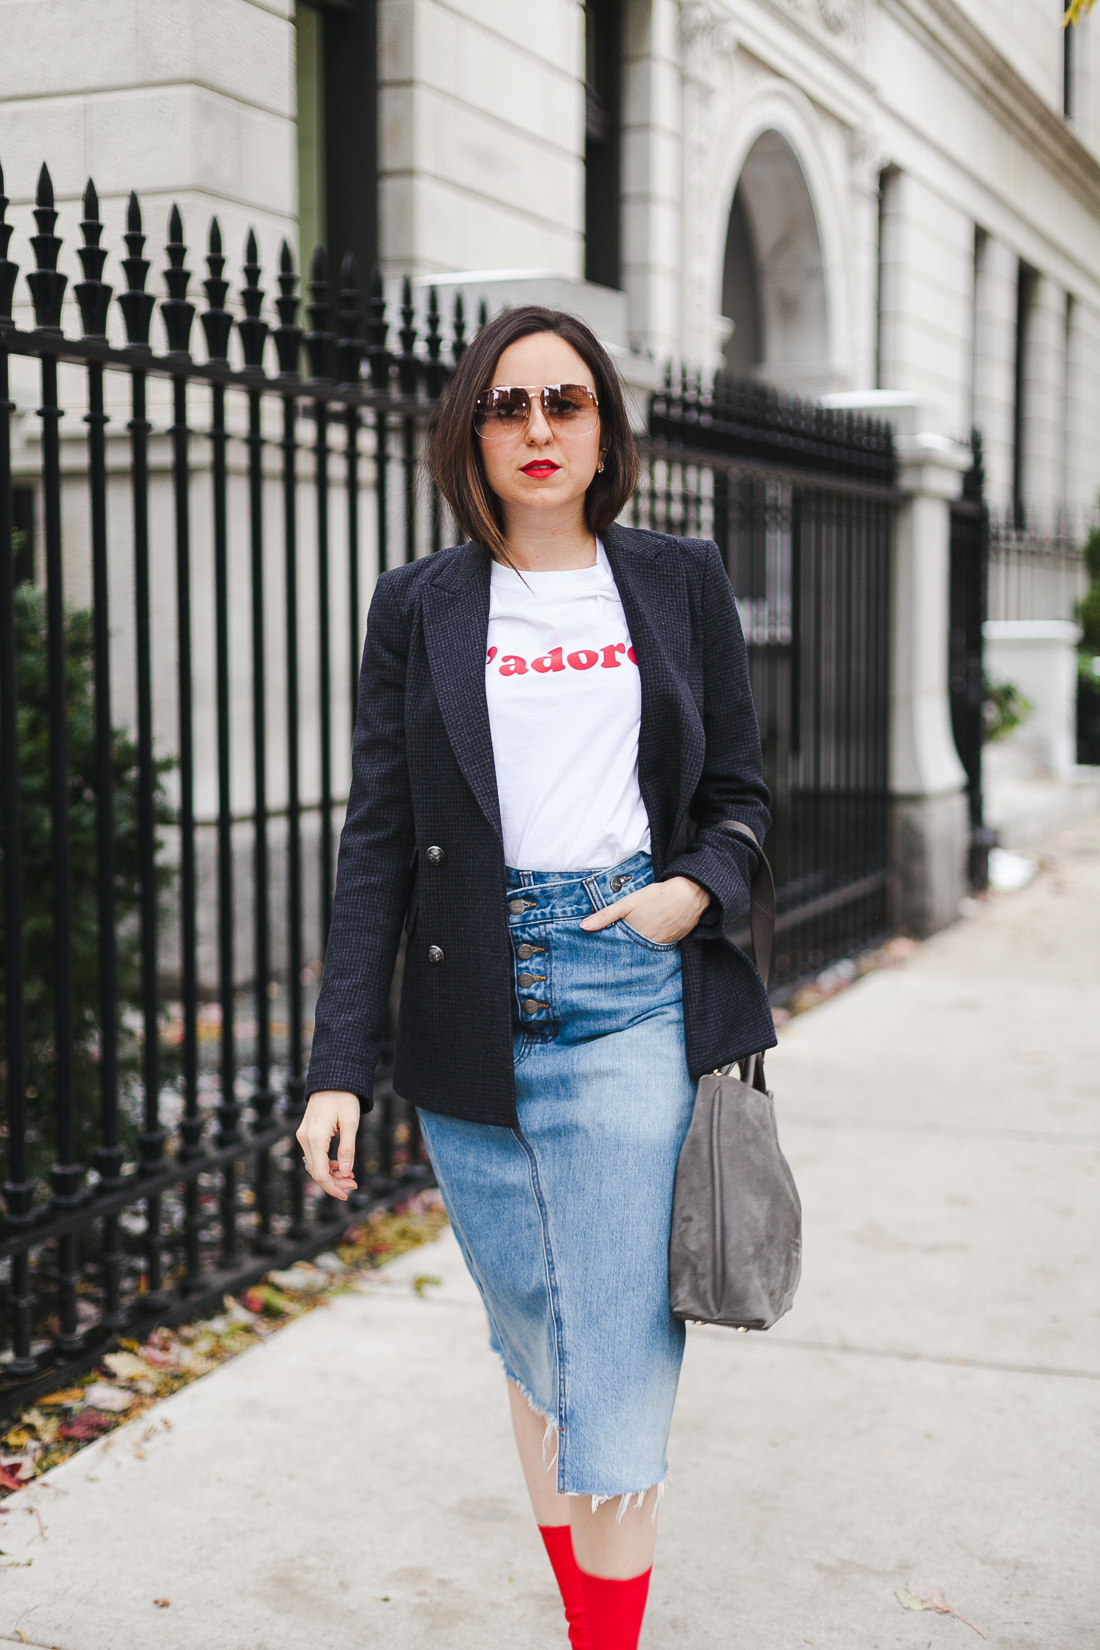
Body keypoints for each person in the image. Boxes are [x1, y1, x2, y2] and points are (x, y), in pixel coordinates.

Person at [298, 307, 774, 1650]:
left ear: (606, 426)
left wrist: (695, 889)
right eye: (511, 406)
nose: (541, 428)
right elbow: (376, 836)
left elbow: (738, 792)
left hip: (626, 984)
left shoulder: (677, 579)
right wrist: (339, 1064)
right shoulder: (422, 604)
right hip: (469, 1009)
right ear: (472, 433)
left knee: (615, 1362)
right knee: (540, 1341)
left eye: (567, 401)